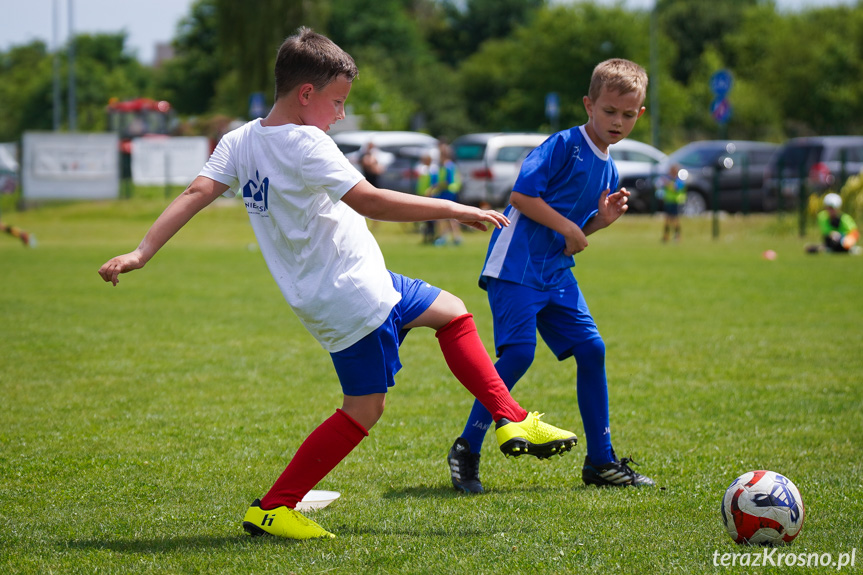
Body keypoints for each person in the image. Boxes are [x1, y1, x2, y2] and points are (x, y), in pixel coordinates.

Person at [97, 27, 578, 540]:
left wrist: (141, 251)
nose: (341, 114)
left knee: (453, 311)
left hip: (352, 285)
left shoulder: (242, 139)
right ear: (307, 94)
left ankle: (510, 417)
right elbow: (370, 200)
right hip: (352, 296)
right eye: (338, 101)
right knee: (364, 409)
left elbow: (197, 191)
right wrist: (455, 208)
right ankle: (274, 508)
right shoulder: (308, 142)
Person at [446, 58, 656, 495]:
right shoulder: (564, 144)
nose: (618, 122)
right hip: (516, 265)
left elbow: (573, 237)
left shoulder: (610, 168)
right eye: (609, 111)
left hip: (555, 271)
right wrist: (569, 226)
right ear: (588, 105)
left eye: (628, 114)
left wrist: (601, 221)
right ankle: (467, 448)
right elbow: (522, 195)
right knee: (519, 354)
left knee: (592, 348)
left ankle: (601, 461)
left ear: (640, 112)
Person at [431, 141, 463, 246]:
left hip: (447, 193)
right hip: (447, 193)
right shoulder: (446, 166)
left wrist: (435, 188)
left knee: (447, 217)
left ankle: (448, 237)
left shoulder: (448, 166)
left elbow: (447, 181)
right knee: (447, 218)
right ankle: (450, 237)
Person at [657, 163, 686, 242]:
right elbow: (658, 185)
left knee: (675, 220)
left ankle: (677, 236)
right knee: (667, 220)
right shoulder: (668, 179)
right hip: (668, 201)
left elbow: (676, 188)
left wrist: (668, 183)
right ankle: (666, 236)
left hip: (675, 202)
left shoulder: (678, 180)